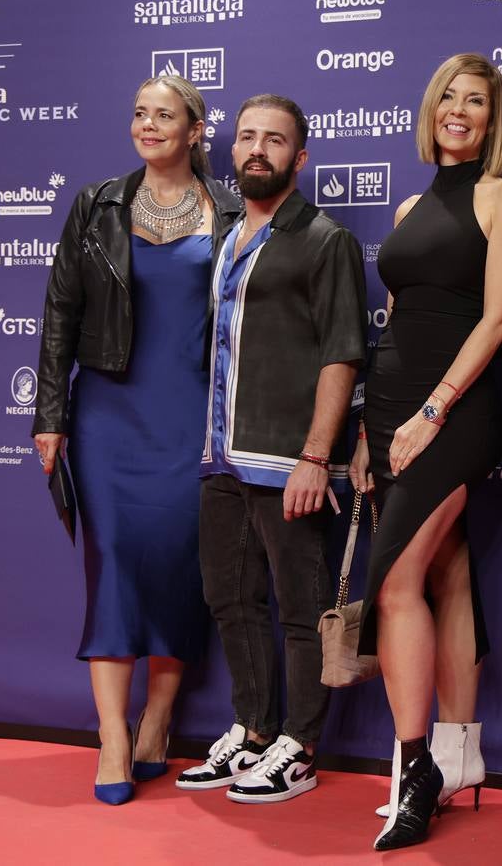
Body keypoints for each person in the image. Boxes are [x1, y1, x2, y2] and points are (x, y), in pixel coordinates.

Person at [33, 75, 242, 806]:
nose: (147, 125)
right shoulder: (97, 203)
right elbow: (61, 308)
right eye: (138, 114)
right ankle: (113, 737)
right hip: (109, 416)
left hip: (196, 418)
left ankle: (157, 720)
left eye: (164, 115)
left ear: (194, 131)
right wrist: (50, 414)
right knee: (115, 562)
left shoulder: (234, 211)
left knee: (183, 564)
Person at [348, 53, 502, 851]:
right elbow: (398, 321)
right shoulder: (407, 207)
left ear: (493, 121)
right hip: (394, 406)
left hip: (451, 413)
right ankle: (461, 754)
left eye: (477, 102)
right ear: (431, 110)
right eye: (449, 98)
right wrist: (370, 427)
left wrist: (431, 411)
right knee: (448, 571)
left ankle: (415, 764)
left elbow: (495, 320)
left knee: (394, 586)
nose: (459, 111)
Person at [175, 94, 367, 805]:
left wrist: (317, 456)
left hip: (289, 460)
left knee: (298, 606)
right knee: (228, 597)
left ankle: (301, 746)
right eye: (248, 137)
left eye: (275, 140)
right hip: (222, 454)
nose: (258, 149)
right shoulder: (226, 237)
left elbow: (342, 354)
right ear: (231, 149)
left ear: (299, 157)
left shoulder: (324, 240)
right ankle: (254, 730)